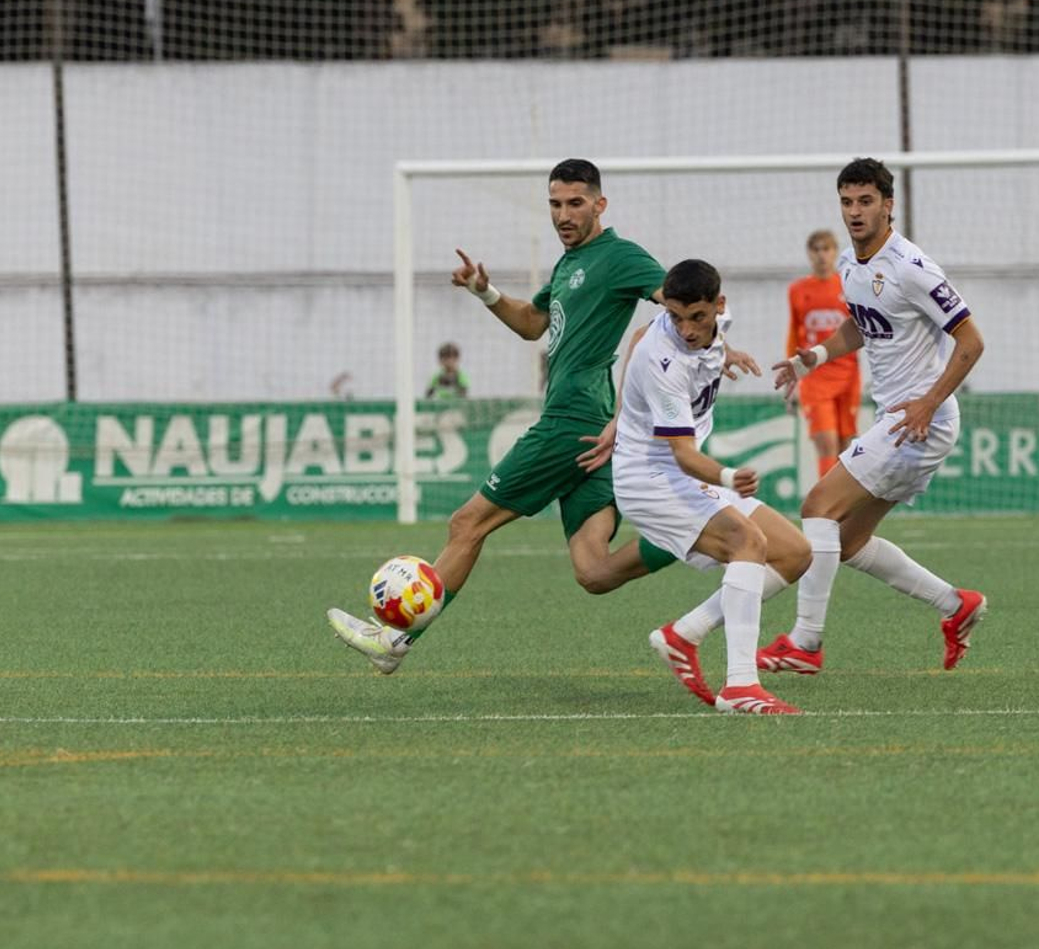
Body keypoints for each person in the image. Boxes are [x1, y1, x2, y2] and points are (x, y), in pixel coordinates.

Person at [327, 158, 756, 673]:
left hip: (570, 420)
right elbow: (533, 324)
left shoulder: (620, 257)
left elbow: (681, 303)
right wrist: (485, 291)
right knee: (594, 571)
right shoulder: (568, 265)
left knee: (467, 522)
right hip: (591, 425)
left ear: (600, 205)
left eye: (575, 203)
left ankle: (394, 641)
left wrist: (717, 343)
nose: (563, 215)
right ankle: (684, 536)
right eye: (555, 204)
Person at [760, 158, 988, 676]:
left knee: (817, 506)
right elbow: (862, 324)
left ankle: (805, 642)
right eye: (847, 202)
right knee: (846, 543)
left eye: (866, 202)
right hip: (901, 420)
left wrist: (928, 402)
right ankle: (957, 605)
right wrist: (809, 358)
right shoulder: (850, 263)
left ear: (889, 205)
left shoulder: (912, 267)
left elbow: (972, 341)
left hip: (917, 420)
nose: (855, 212)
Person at [617, 259, 809, 714]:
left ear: (718, 306)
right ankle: (741, 686)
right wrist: (728, 478)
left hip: (682, 474)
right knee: (748, 541)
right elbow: (683, 455)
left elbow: (650, 333)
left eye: (697, 317)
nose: (686, 329)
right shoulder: (661, 361)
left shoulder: (716, 323)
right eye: (676, 317)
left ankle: (685, 633)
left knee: (796, 552)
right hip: (651, 478)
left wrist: (727, 353)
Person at [787, 228, 862, 476]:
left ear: (835, 252)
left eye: (826, 249)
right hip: (815, 376)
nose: (821, 255)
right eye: (816, 250)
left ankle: (845, 508)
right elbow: (794, 334)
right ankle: (827, 507)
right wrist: (793, 373)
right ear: (809, 254)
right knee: (826, 442)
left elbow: (860, 331)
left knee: (845, 444)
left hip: (848, 374)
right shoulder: (798, 290)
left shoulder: (848, 285)